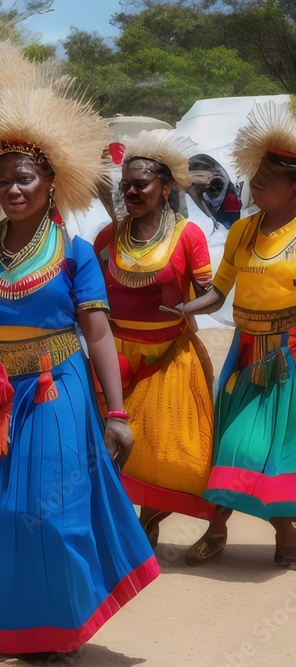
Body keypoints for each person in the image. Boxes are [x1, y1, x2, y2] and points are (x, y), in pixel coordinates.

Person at [0, 42, 156, 657]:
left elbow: (99, 333)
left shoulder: (76, 254)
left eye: (24, 178)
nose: (13, 189)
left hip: (57, 390)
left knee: (52, 513)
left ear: (52, 180)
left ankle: (57, 629)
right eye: (4, 181)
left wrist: (116, 412)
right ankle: (5, 625)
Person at [93, 130, 231, 563]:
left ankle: (216, 523)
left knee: (179, 454)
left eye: (142, 184)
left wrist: (185, 307)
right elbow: (89, 296)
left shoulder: (188, 236)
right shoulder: (106, 238)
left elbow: (214, 293)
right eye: (126, 185)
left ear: (166, 188)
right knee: (126, 450)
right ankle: (142, 528)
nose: (132, 191)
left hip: (171, 356)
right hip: (117, 358)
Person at [185, 100, 296, 566]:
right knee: (228, 442)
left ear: (292, 188)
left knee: (266, 450)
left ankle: (284, 534)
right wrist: (180, 308)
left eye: (265, 184)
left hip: (286, 358)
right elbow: (219, 292)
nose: (254, 187)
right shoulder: (243, 230)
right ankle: (218, 528)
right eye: (254, 180)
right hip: (245, 352)